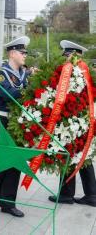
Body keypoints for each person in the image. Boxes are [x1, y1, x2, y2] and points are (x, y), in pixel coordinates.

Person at [48, 40, 96, 207]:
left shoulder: (72, 72)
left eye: (67, 56)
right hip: (83, 121)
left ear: (72, 56)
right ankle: (92, 194)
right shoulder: (85, 71)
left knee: (68, 154)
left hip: (71, 122)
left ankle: (67, 194)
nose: (65, 59)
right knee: (83, 156)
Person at [0, 36, 30, 217]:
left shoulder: (24, 74)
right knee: (2, 160)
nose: (25, 56)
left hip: (18, 122)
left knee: (14, 161)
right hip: (3, 121)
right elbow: (9, 94)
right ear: (12, 53)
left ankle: (7, 201)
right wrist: (30, 92)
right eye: (22, 53)